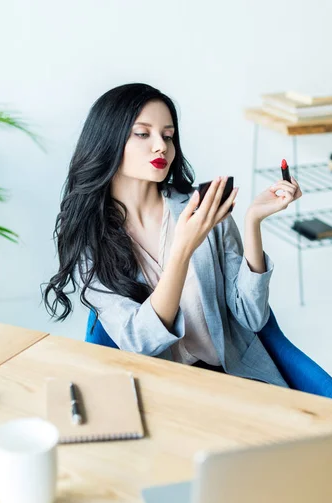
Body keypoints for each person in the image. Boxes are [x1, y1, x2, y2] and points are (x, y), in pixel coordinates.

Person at [43, 82, 302, 387]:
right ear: (107, 140)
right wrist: (182, 250)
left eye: (168, 135)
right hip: (162, 391)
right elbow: (140, 342)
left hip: (236, 380)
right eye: (143, 134)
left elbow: (251, 317)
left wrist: (252, 222)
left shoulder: (203, 211)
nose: (161, 146)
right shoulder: (90, 240)